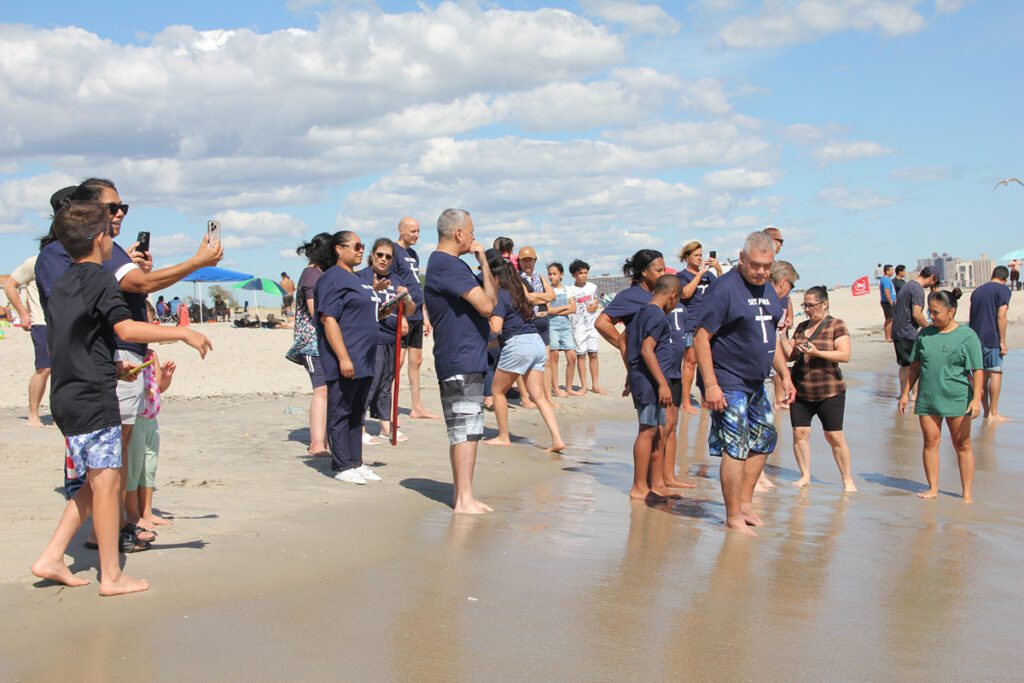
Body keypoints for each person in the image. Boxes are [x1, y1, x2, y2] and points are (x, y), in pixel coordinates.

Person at [30, 201, 212, 595]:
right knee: (107, 484)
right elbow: (128, 329)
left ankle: (52, 556)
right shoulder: (99, 279)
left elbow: (69, 339)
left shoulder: (61, 282)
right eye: (111, 233)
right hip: (93, 397)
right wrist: (181, 333)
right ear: (100, 239)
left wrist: (108, 367)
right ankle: (111, 575)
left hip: (67, 392)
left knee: (98, 482)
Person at [694, 231, 795, 535]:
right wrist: (710, 385)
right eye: (755, 265)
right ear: (741, 259)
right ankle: (732, 515)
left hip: (756, 381)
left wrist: (785, 375)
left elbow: (770, 336)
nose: (761, 271)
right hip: (728, 379)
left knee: (765, 438)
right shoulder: (723, 290)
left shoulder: (768, 291)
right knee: (736, 446)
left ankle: (745, 503)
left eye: (767, 266)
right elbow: (701, 337)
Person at [425, 209, 498, 513]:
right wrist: (481, 263)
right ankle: (464, 499)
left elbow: (490, 302)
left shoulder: (448, 265)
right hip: (460, 358)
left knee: (467, 428)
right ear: (458, 234)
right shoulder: (447, 264)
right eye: (471, 231)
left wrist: (482, 264)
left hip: (464, 357)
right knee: (466, 429)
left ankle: (463, 495)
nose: (473, 237)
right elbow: (486, 305)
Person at [898, 289, 982, 503]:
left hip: (957, 398)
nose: (931, 317)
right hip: (928, 397)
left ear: (951, 311)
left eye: (935, 313)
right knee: (930, 441)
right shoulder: (925, 335)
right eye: (929, 312)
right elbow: (915, 367)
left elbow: (977, 370)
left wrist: (976, 400)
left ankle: (968, 493)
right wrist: (905, 393)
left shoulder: (967, 336)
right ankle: (933, 488)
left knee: (962, 444)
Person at [481, 250, 565, 452]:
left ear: (498, 277)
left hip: (519, 344)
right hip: (536, 342)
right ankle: (557, 439)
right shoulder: (520, 294)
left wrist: (485, 316)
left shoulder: (501, 295)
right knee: (540, 396)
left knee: (497, 390)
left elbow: (496, 327)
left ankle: (503, 436)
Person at [315, 231, 382, 485]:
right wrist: (343, 357)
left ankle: (356, 461)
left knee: (357, 412)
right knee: (341, 410)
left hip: (365, 357)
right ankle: (342, 464)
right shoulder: (332, 278)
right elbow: (328, 318)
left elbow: (364, 313)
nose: (360, 250)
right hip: (346, 357)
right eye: (355, 246)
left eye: (362, 246)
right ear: (338, 249)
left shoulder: (359, 279)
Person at [779, 286, 856, 492]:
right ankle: (805, 474)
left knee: (835, 436)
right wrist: (783, 336)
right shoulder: (802, 327)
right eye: (805, 305)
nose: (807, 310)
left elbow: (844, 355)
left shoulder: (836, 325)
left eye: (811, 305)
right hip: (802, 389)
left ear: (824, 304)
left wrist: (818, 352)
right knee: (800, 433)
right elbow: (790, 355)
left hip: (830, 390)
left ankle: (847, 479)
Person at [626, 275, 685, 500]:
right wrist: (662, 384)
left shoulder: (642, 312)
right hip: (651, 383)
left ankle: (657, 484)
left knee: (658, 432)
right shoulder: (656, 315)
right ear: (673, 296)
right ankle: (639, 487)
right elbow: (647, 350)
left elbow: (626, 341)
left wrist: (629, 373)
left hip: (645, 379)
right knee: (648, 430)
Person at [359, 237, 415, 442]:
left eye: (388, 257)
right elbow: (359, 306)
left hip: (393, 338)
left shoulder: (397, 279)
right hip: (372, 338)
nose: (383, 259)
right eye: (380, 255)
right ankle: (360, 427)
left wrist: (406, 297)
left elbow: (410, 309)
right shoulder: (362, 277)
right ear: (372, 255)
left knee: (386, 382)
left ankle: (385, 425)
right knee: (370, 382)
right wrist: (374, 290)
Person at [595, 249, 666, 391]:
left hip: (665, 366)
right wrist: (627, 347)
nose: (663, 275)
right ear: (645, 272)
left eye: (664, 270)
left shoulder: (660, 294)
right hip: (645, 369)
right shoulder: (630, 295)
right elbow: (601, 323)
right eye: (659, 271)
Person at [290, 233, 335, 457]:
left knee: (327, 389)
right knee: (322, 389)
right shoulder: (311, 275)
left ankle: (325, 439)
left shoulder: (317, 274)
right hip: (312, 343)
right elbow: (314, 309)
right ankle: (317, 443)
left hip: (322, 342)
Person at [392, 217, 440, 419]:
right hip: (402, 312)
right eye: (412, 231)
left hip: (417, 313)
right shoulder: (393, 252)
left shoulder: (414, 254)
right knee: (398, 360)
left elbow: (416, 285)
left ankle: (416, 406)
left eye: (418, 231)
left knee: (417, 360)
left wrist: (425, 315)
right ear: (401, 231)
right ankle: (389, 405)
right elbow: (393, 284)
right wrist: (400, 315)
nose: (416, 235)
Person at [125, 348, 177, 532]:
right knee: (133, 468)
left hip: (151, 420)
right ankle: (131, 512)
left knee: (149, 467)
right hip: (136, 419)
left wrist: (167, 376)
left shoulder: (151, 354)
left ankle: (146, 510)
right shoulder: (128, 355)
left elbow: (159, 386)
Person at [3, 254, 51, 427]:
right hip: (41, 322)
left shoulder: (76, 258)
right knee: (44, 368)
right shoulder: (37, 261)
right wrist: (23, 313)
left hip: (66, 323)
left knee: (67, 369)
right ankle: (33, 414)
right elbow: (10, 285)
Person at [677, 240, 722, 414]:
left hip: (708, 323)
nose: (699, 259)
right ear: (687, 258)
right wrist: (700, 273)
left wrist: (717, 269)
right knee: (690, 361)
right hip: (690, 322)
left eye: (701, 255)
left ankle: (704, 398)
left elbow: (724, 286)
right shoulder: (682, 276)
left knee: (707, 361)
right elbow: (686, 293)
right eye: (695, 256)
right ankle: (686, 401)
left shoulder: (709, 276)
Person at [969, 266, 1011, 421]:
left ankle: (986, 411)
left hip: (974, 338)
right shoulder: (1003, 290)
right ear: (1005, 279)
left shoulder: (977, 291)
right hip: (991, 337)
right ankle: (993, 412)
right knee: (995, 372)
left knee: (981, 375)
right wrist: (1003, 341)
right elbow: (1001, 316)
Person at [891, 267, 939, 404]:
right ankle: (913, 395)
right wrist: (929, 328)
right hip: (907, 332)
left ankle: (904, 394)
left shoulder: (908, 285)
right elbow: (917, 314)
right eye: (935, 281)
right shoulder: (917, 289)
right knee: (913, 365)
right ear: (932, 277)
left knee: (905, 364)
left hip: (898, 330)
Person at [516, 246, 555, 409]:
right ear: (519, 261)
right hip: (527, 322)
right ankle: (525, 397)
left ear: (534, 261)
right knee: (524, 361)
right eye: (524, 260)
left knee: (546, 362)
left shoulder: (540, 277)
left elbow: (552, 296)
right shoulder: (517, 278)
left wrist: (536, 297)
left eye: (530, 260)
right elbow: (526, 298)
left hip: (543, 323)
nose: (527, 263)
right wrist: (541, 298)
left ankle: (547, 397)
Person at [566, 259, 601, 396]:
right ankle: (584, 385)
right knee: (581, 355)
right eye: (580, 273)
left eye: (586, 273)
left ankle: (595, 384)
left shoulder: (592, 287)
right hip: (578, 326)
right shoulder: (570, 290)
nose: (584, 275)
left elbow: (596, 299)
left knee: (593, 353)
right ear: (574, 274)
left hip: (592, 324)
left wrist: (596, 304)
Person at [545, 262, 576, 398]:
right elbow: (548, 310)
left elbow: (573, 308)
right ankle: (556, 388)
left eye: (554, 274)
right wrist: (563, 309)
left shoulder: (567, 289)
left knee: (572, 356)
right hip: (552, 326)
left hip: (565, 327)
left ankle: (568, 387)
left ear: (561, 274)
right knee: (554, 357)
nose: (552, 277)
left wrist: (555, 311)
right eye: (550, 274)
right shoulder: (547, 291)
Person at [879, 265, 896, 342]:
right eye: (891, 270)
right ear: (887, 271)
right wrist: (891, 302)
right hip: (887, 302)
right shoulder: (885, 280)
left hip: (889, 301)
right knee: (889, 319)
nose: (893, 271)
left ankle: (890, 336)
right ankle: (887, 337)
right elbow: (887, 292)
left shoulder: (887, 279)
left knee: (891, 319)